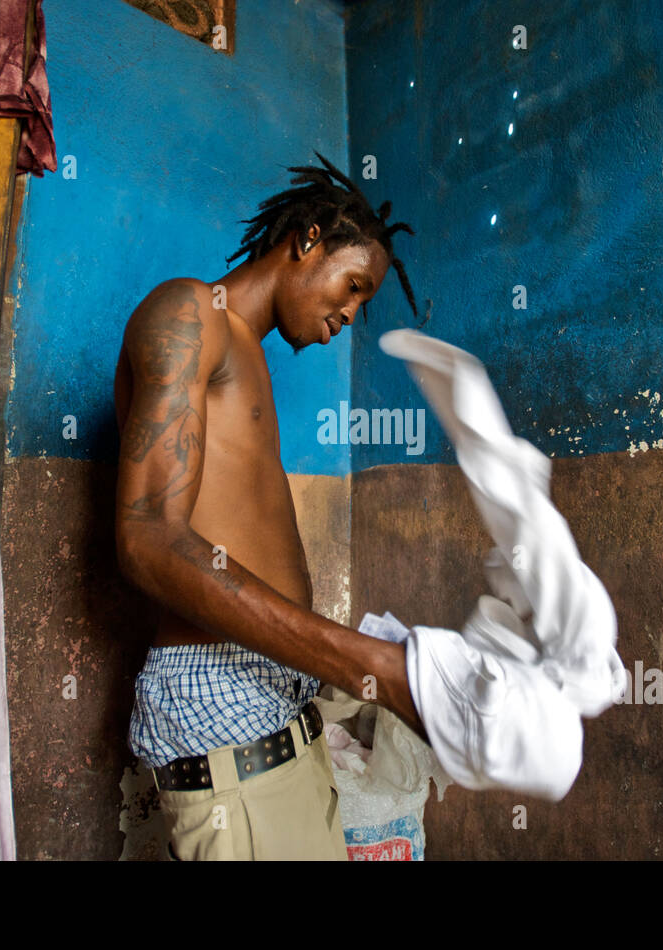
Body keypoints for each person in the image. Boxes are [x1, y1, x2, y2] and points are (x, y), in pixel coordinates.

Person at [114, 152, 428, 860]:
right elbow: (146, 541)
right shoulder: (190, 313)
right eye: (353, 287)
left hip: (281, 724)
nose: (350, 314)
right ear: (307, 238)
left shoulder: (246, 354)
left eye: (362, 305)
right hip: (224, 724)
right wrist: (361, 661)